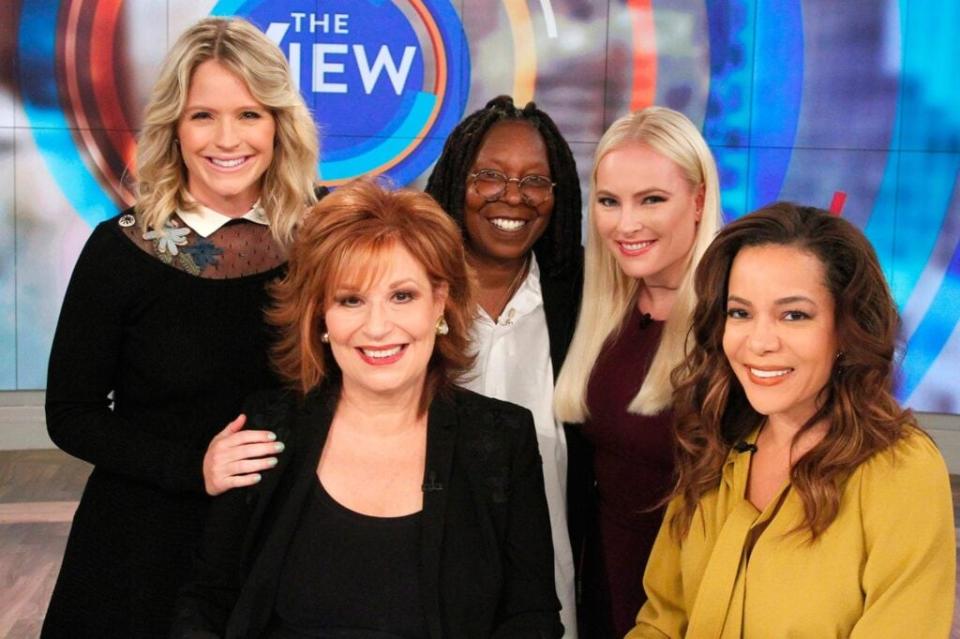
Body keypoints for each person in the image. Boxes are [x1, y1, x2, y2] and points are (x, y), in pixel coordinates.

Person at [170, 178, 563, 639]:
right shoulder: (266, 429)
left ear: (439, 302)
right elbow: (207, 602)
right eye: (351, 300)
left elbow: (530, 618)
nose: (377, 327)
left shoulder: (502, 440)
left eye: (402, 296)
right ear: (320, 315)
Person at [42, 17, 319, 637]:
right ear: (174, 126)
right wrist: (194, 467)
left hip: (287, 538)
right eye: (203, 115)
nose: (228, 138)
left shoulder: (325, 235)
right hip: (145, 544)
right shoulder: (124, 249)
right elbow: (71, 412)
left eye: (250, 113)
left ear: (280, 122)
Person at [627, 202, 956, 637]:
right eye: (740, 312)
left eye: (794, 315)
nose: (759, 342)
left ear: (845, 328)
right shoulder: (713, 441)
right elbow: (661, 623)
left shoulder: (902, 472)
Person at [553, 106, 723, 637]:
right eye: (609, 201)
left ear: (697, 201)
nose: (625, 224)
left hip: (697, 598)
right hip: (605, 584)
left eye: (652, 199)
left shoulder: (734, 320)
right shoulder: (599, 308)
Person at [425, 95, 584, 636]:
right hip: (421, 596)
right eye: (489, 174)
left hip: (547, 601)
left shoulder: (584, 302)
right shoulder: (407, 297)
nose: (513, 196)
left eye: (536, 180)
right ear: (454, 180)